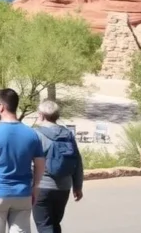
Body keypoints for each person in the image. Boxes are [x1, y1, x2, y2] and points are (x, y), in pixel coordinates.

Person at [0, 88, 45, 233]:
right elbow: (40, 164)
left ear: (1, 107)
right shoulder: (32, 134)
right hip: (23, 194)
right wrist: (35, 187)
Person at [32, 100, 84, 233]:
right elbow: (77, 161)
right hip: (64, 188)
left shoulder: (36, 134)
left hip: (42, 187)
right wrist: (77, 186)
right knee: (55, 224)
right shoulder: (67, 134)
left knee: (44, 225)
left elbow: (29, 162)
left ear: (41, 115)